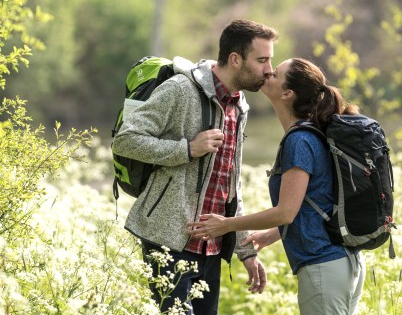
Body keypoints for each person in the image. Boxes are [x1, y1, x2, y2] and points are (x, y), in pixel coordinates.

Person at [112, 19, 278, 314]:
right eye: (262, 59)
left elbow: (230, 184)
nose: (269, 69)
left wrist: (245, 250)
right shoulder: (180, 89)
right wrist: (187, 149)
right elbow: (125, 140)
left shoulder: (239, 106)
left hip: (211, 247)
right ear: (236, 59)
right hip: (167, 241)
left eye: (270, 60)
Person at [188, 58, 366, 315]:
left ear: (287, 93)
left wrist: (225, 224)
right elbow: (314, 203)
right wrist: (271, 235)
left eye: (275, 74)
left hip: (324, 267)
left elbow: (286, 212)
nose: (268, 72)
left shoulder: (300, 140)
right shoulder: (316, 132)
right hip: (345, 265)